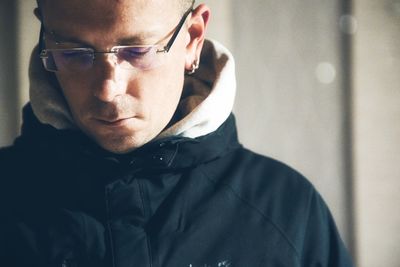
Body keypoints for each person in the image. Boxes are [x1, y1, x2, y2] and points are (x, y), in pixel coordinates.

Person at [0, 0, 354, 266]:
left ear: (192, 39)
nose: (108, 89)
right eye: (75, 53)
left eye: (138, 51)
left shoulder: (288, 208)